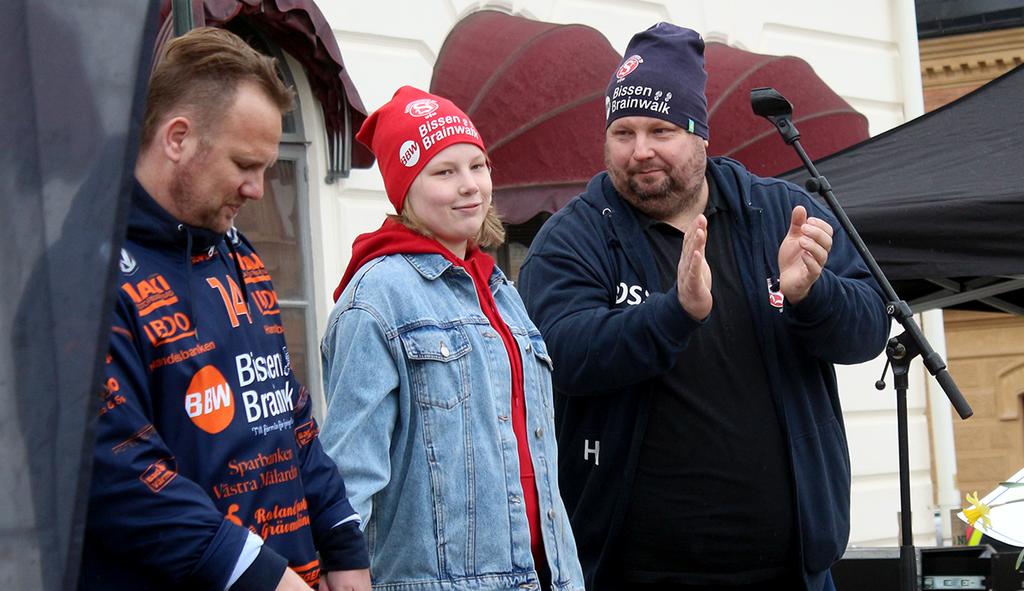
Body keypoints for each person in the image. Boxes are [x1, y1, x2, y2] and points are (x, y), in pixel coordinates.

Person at [517, 23, 890, 591]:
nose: (640, 150)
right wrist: (676, 313)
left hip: (792, 569)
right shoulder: (574, 236)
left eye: (661, 130)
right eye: (623, 132)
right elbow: (559, 355)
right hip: (633, 570)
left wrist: (813, 295)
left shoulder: (780, 213)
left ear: (700, 134)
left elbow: (868, 330)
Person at [80, 27, 370, 591]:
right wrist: (256, 573)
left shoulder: (236, 253)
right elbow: (118, 472)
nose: (259, 189)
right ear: (178, 138)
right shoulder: (85, 275)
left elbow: (286, 412)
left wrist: (342, 540)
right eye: (245, 164)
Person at [318, 86, 585, 591]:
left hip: (549, 577)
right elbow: (349, 470)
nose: (470, 186)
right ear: (405, 190)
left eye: (477, 165)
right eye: (444, 172)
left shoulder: (501, 291)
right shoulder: (376, 298)